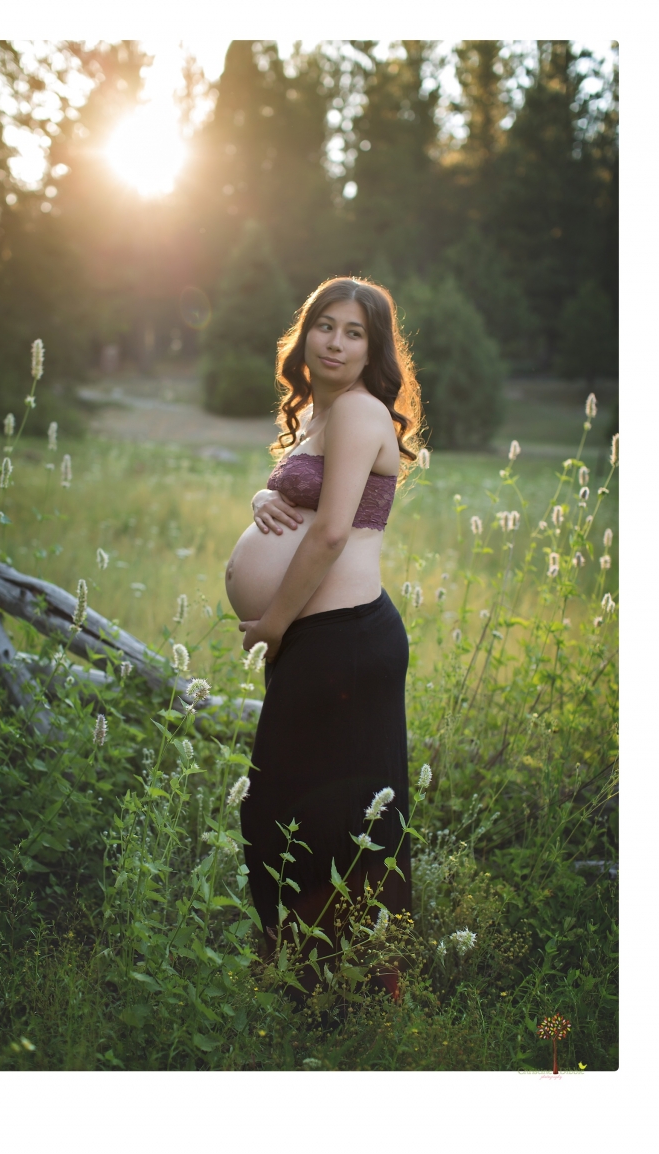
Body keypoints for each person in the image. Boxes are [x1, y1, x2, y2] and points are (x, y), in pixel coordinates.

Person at [228, 276, 422, 991]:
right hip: (325, 643)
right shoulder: (322, 413)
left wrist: (273, 623)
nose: (334, 342)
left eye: (354, 332)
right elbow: (306, 498)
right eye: (324, 326)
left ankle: (354, 988)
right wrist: (263, 494)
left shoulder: (361, 412)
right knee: (287, 810)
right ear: (304, 333)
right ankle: (301, 974)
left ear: (373, 349)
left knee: (332, 819)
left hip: (342, 643)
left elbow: (334, 530)